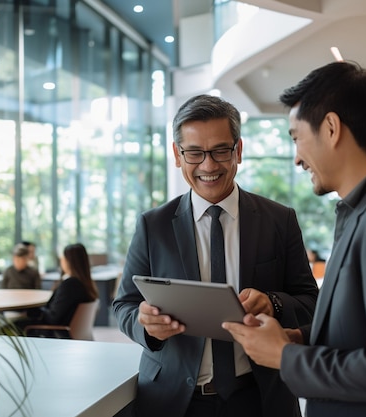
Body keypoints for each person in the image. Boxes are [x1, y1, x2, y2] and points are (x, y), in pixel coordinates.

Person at [223, 62, 366, 417]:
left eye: (296, 137)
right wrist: (295, 339)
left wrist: (285, 357)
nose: (298, 158)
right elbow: (359, 335)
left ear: (331, 128)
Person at [112, 94, 319, 417]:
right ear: (177, 155)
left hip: (259, 397)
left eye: (220, 151)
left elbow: (310, 301)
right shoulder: (153, 225)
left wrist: (273, 302)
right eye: (194, 153)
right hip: (174, 401)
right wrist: (146, 327)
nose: (208, 166)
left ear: (238, 150)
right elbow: (123, 305)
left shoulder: (280, 220)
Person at [1, 243, 98, 337]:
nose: (61, 260)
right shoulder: (83, 285)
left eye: (63, 258)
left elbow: (53, 318)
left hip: (52, 331)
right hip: (62, 329)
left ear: (69, 261)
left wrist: (32, 311)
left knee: (6, 329)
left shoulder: (70, 285)